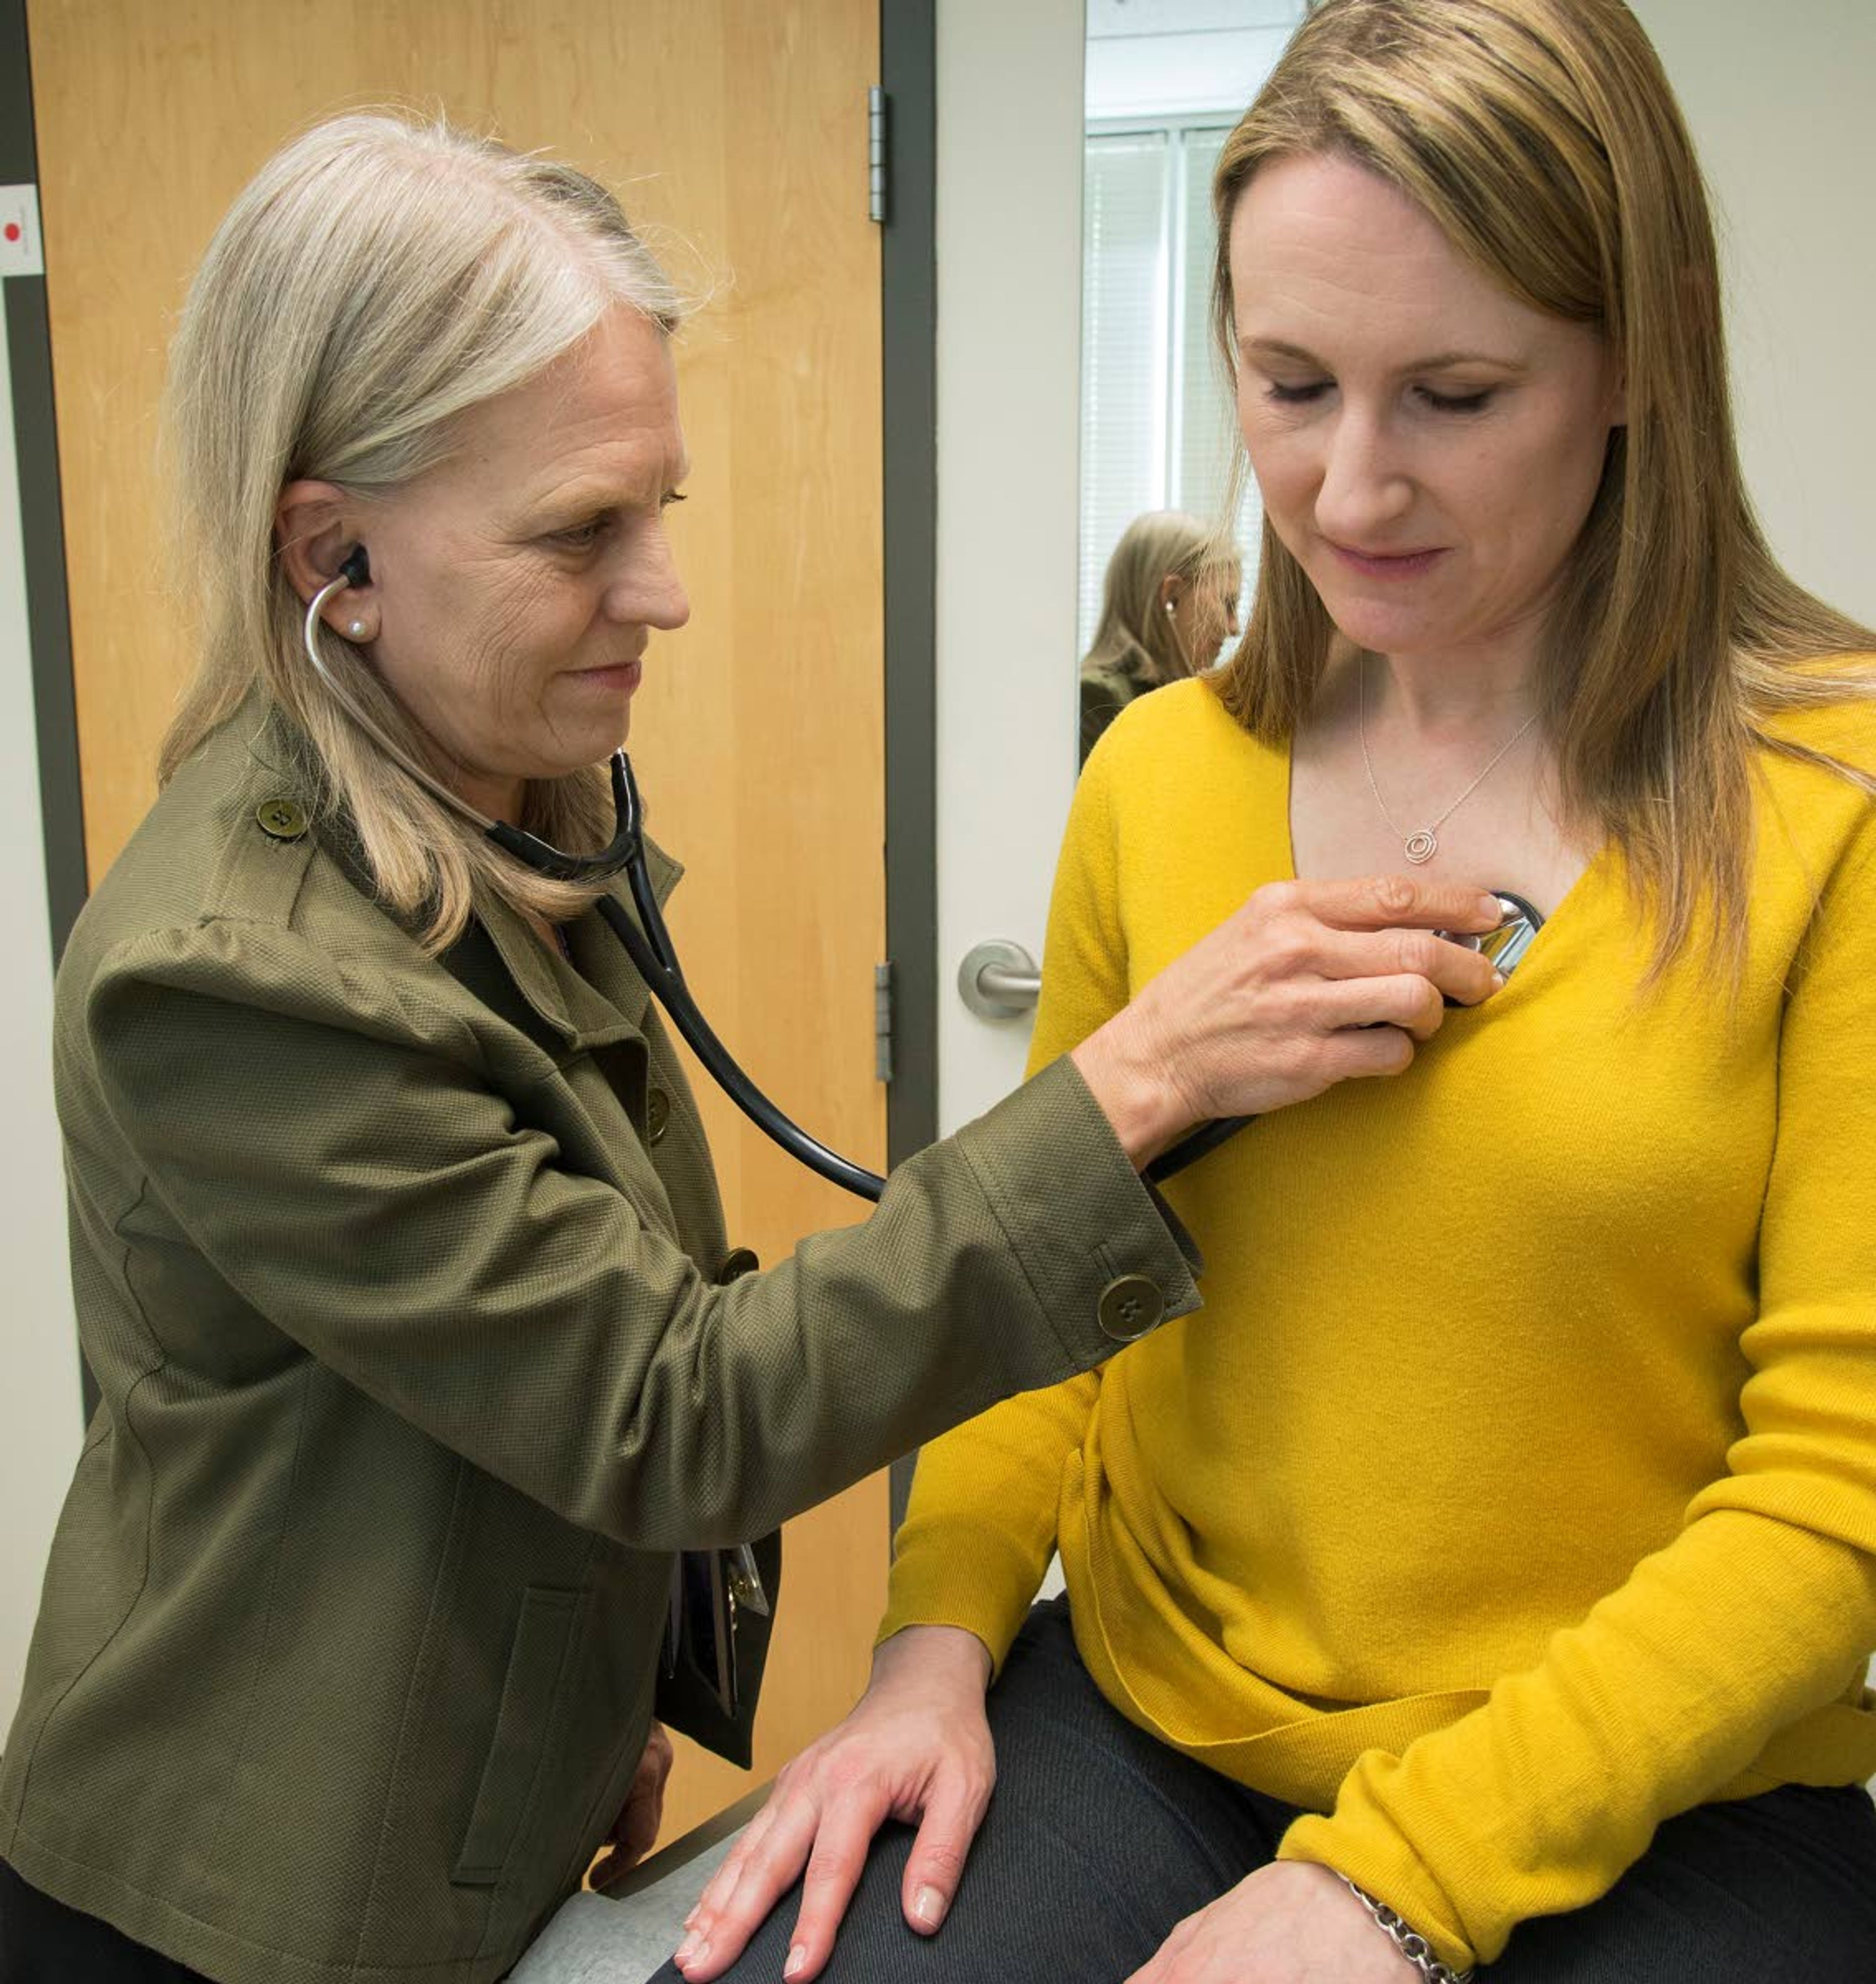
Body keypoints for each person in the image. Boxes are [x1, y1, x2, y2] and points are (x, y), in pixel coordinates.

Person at [0, 113, 1507, 1984]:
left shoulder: (495, 795)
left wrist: (584, 1696)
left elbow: (527, 1337)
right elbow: (668, 1404)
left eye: (659, 511)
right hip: (251, 1899)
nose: (664, 593)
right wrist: (1141, 1077)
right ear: (337, 553)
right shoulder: (232, 981)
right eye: (579, 533)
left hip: (473, 1797)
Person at [675, 1, 1876, 1980]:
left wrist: (1389, 1879)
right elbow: (1043, 1303)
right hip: (1160, 1718)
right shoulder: (1162, 773)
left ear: (1644, 349)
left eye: (1457, 395)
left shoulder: (1825, 801)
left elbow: (1836, 1503)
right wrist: (930, 1645)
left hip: (1666, 1785)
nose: (1350, 490)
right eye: (1290, 381)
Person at [1079, 512, 1242, 763]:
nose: (1235, 627)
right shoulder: (1097, 700)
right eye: (1227, 603)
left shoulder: (1190, 701)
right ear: (1172, 596)